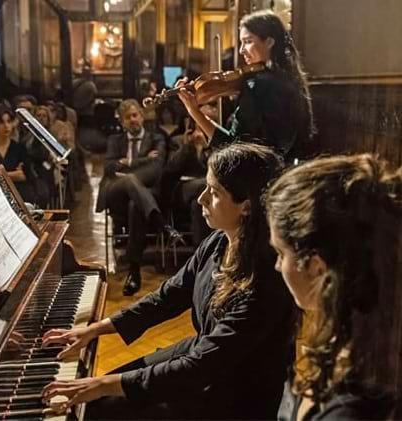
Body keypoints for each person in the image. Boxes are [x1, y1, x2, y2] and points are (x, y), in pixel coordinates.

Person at [44, 143, 296, 419]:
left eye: (214, 192)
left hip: (234, 394)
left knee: (104, 405)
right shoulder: (219, 241)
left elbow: (201, 367)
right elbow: (170, 294)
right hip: (203, 356)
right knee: (103, 393)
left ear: (246, 206)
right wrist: (96, 328)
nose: (201, 199)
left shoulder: (266, 278)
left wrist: (102, 385)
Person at [265, 154, 401, 420]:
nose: (278, 267)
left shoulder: (353, 407)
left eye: (281, 254)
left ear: (317, 267)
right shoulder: (363, 331)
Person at [178, 10, 313, 162]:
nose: (242, 50)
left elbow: (232, 147)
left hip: (254, 178)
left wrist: (194, 111)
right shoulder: (291, 80)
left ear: (269, 42)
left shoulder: (257, 85)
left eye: (248, 41)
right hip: (281, 175)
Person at [95, 99, 180, 296]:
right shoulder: (114, 141)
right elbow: (109, 168)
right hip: (116, 195)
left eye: (135, 115)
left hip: (145, 196)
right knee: (130, 182)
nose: (132, 120)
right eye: (127, 117)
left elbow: (157, 168)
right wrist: (141, 162)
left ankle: (134, 272)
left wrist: (126, 164)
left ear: (141, 116)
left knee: (136, 204)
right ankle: (162, 224)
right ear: (122, 122)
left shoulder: (157, 138)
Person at [160, 118, 211, 248]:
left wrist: (205, 147)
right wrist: (186, 146)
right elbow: (171, 169)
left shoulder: (212, 141)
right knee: (205, 185)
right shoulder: (176, 141)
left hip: (205, 191)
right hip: (183, 188)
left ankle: (200, 250)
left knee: (198, 205)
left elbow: (216, 168)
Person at [0, 105, 39, 205]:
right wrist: (13, 175)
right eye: (1, 122)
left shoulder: (20, 148)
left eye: (9, 121)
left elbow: (25, 176)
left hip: (20, 194)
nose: (6, 126)